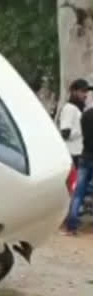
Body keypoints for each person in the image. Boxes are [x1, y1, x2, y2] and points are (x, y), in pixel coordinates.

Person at [65, 84, 93, 234]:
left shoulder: (85, 115)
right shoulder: (72, 110)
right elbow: (68, 133)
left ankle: (71, 225)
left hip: (84, 156)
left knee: (78, 192)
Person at [58, 78, 89, 169]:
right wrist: (84, 129)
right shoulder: (69, 109)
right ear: (74, 92)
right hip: (73, 155)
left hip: (80, 154)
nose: (85, 95)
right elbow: (65, 133)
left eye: (86, 92)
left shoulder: (77, 109)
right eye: (83, 91)